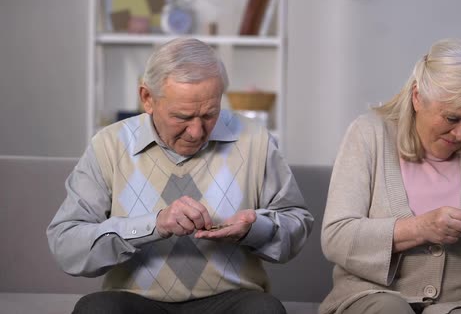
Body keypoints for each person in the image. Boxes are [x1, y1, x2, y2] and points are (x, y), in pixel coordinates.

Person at [47, 37, 313, 314]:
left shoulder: (255, 140)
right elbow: (67, 245)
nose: (197, 131)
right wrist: (153, 225)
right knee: (95, 310)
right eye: (183, 117)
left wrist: (255, 228)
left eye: (210, 114)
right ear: (147, 98)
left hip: (231, 300)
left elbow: (297, 223)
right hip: (135, 301)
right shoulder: (109, 145)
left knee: (265, 310)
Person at [319, 39, 461, 314]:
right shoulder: (368, 133)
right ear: (418, 97)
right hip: (373, 294)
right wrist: (419, 228)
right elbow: (336, 236)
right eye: (452, 118)